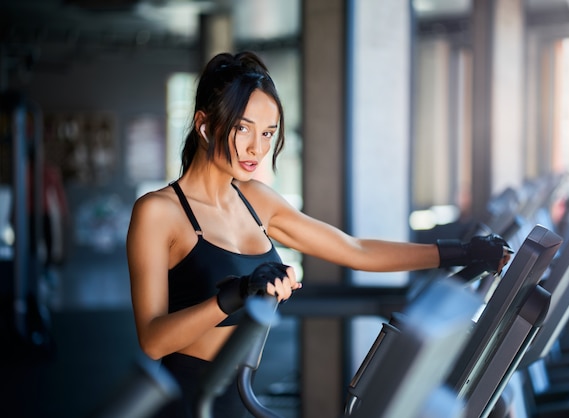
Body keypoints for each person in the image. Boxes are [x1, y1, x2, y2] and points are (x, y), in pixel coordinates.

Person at [126, 51, 512, 418]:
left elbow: (356, 250)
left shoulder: (255, 200)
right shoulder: (159, 212)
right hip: (190, 403)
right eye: (243, 128)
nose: (256, 148)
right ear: (205, 124)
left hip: (240, 398)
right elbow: (154, 340)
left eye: (268, 133)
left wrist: (459, 252)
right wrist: (236, 294)